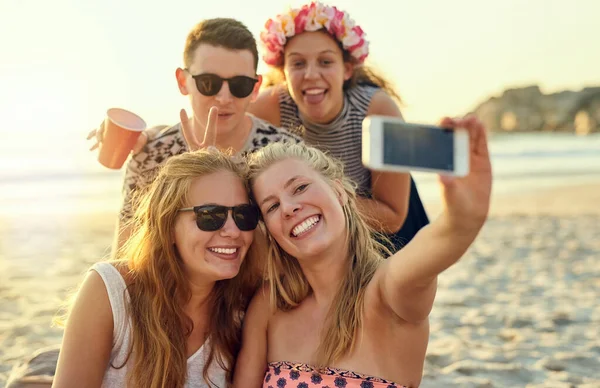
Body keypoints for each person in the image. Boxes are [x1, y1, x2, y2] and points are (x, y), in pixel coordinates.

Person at [233, 115, 492, 387]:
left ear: (339, 191)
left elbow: (436, 247)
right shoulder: (269, 305)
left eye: (300, 187)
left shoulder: (387, 294)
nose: (288, 207)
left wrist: (462, 220)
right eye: (272, 206)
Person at [87, 18, 301, 254]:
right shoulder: (151, 157)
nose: (223, 97)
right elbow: (126, 257)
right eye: (209, 83)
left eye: (239, 84)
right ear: (182, 81)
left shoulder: (286, 153)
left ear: (255, 87)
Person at [53, 149, 263, 387]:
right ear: (168, 225)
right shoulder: (112, 291)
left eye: (243, 215)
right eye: (210, 216)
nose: (233, 231)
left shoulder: (244, 312)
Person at [248, 1, 430, 251]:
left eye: (325, 62)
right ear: (283, 70)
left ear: (346, 69)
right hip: (314, 228)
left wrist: (321, 198)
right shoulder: (268, 108)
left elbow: (393, 216)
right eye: (298, 63)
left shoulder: (377, 110)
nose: (311, 74)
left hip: (386, 237)